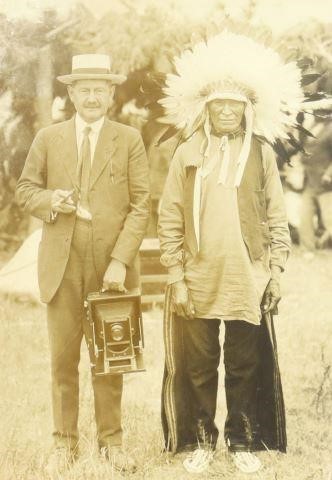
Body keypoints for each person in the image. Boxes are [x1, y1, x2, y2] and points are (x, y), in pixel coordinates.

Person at [157, 31, 299, 474]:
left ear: (246, 110)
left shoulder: (260, 154)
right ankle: (201, 440)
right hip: (199, 276)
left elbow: (277, 216)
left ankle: (242, 443)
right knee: (199, 366)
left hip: (247, 276)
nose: (225, 110)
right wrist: (177, 277)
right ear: (205, 107)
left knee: (243, 363)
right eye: (218, 103)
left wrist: (275, 272)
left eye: (234, 104)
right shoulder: (188, 152)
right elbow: (170, 217)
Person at [16, 54, 150, 474]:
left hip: (110, 266)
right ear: (71, 94)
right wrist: (50, 201)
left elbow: (142, 205)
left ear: (110, 95)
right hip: (61, 263)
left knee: (110, 355)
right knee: (62, 358)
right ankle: (64, 443)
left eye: (100, 89)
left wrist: (118, 261)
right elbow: (24, 189)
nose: (92, 97)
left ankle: (112, 442)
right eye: (84, 89)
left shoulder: (128, 139)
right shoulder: (48, 138)